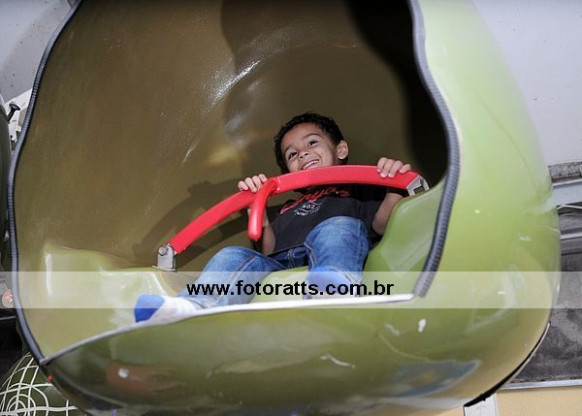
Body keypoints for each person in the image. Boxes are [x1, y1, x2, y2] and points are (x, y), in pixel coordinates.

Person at [134, 112, 411, 322]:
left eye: (312, 142)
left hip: (331, 251)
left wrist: (393, 186)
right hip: (280, 262)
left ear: (341, 149)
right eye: (292, 154)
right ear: (289, 173)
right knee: (231, 255)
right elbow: (268, 250)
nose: (303, 153)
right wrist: (258, 206)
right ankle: (194, 307)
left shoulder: (358, 189)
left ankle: (333, 284)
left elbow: (380, 225)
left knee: (337, 227)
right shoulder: (289, 207)